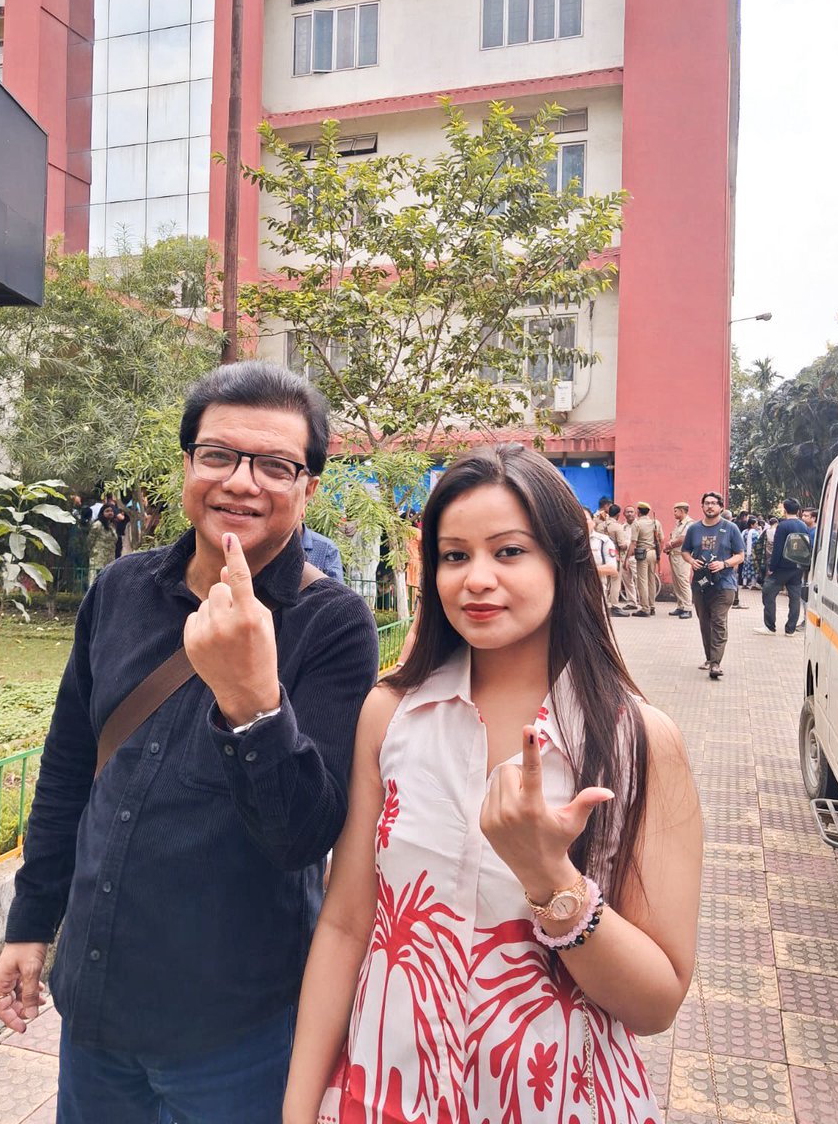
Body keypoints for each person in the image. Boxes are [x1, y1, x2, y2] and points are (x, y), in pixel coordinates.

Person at [0, 362, 380, 1124]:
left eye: (275, 466)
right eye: (219, 455)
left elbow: (304, 835)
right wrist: (31, 924)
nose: (241, 482)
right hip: (98, 1014)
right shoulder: (119, 590)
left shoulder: (333, 625)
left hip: (238, 1037)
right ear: (187, 467)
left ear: (308, 488)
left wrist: (251, 700)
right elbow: (68, 769)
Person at [282, 443, 702, 1124]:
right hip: (384, 1095)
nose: (476, 579)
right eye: (454, 556)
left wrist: (551, 880)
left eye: (509, 552)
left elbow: (657, 1003)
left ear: (563, 562)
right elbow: (346, 924)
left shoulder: (640, 742)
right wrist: (299, 1108)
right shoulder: (390, 716)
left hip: (558, 1101)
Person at [680, 491, 745, 680]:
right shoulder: (694, 529)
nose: (710, 506)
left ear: (721, 507)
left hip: (724, 583)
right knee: (704, 621)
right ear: (702, 506)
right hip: (701, 583)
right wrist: (691, 561)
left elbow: (740, 555)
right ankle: (709, 658)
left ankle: (716, 663)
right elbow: (685, 551)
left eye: (714, 503)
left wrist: (724, 564)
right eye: (707, 503)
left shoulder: (731, 528)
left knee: (718, 620)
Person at [755, 497, 809, 637]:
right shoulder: (803, 525)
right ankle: (790, 629)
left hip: (782, 567)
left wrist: (772, 566)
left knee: (768, 593)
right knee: (795, 598)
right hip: (798, 566)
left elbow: (777, 548)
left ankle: (770, 627)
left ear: (784, 510)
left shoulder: (783, 526)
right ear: (798, 510)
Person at [626, 502, 663, 617]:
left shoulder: (636, 524)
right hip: (653, 553)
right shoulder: (655, 522)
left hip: (642, 554)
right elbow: (661, 539)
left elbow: (633, 543)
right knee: (651, 580)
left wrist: (627, 558)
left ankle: (645, 608)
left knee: (642, 581)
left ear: (638, 511)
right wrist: (659, 554)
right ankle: (652, 606)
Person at [663, 501, 693, 618]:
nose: (674, 513)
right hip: (674, 555)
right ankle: (681, 606)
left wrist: (669, 545)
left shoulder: (688, 524)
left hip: (682, 556)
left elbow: (682, 539)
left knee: (683, 581)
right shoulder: (679, 524)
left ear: (681, 511)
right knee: (676, 582)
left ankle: (688, 608)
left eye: (675, 511)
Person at [606, 503, 636, 616]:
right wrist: (628, 546)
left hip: (603, 557)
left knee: (604, 582)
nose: (629, 514)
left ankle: (604, 604)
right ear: (619, 514)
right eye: (627, 512)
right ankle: (614, 606)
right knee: (615, 581)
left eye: (631, 512)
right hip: (616, 557)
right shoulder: (618, 527)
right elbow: (622, 545)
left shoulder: (600, 525)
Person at [584, 505, 618, 594]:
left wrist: (585, 570)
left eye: (586, 519)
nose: (582, 522)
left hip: (596, 592)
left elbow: (612, 568)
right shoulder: (569, 542)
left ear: (593, 522)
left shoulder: (603, 541)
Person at [87, 504, 118, 584]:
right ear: (102, 513)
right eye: (107, 511)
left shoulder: (112, 525)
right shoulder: (97, 525)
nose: (110, 513)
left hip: (110, 558)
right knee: (95, 580)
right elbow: (90, 540)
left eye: (111, 511)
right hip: (98, 557)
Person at [740, 515, 762, 589]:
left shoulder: (744, 532)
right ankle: (753, 585)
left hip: (745, 553)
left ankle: (744, 583)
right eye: (756, 524)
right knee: (754, 568)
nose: (757, 525)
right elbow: (758, 542)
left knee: (745, 568)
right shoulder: (755, 533)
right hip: (753, 553)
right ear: (752, 525)